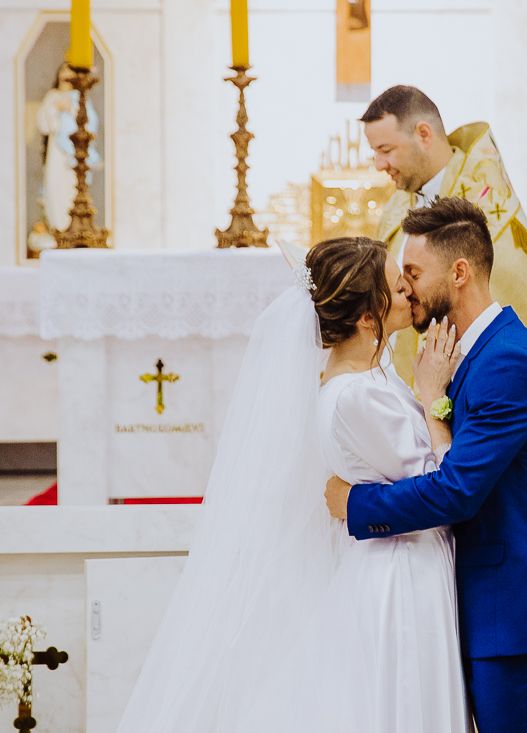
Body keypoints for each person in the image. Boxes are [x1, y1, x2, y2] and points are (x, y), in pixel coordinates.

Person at [116, 236, 471, 732]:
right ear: (368, 316)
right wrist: (435, 400)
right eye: (398, 285)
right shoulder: (357, 398)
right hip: (400, 571)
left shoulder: (367, 379)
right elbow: (443, 488)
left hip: (400, 557)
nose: (410, 292)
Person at [326, 198, 527, 733]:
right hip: (483, 612)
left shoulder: (508, 362)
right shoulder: (471, 353)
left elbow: (457, 490)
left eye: (415, 273)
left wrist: (356, 504)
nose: (407, 289)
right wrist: (433, 397)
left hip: (515, 622)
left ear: (459, 272)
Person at [360, 85, 527, 400]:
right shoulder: (398, 206)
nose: (378, 164)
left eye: (386, 150)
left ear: (423, 134)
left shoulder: (484, 213)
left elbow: (515, 328)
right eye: (375, 152)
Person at [35, 61, 101, 232]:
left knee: (73, 192)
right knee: (56, 193)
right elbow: (44, 125)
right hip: (57, 155)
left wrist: (71, 111)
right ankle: (59, 230)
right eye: (63, 71)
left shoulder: (80, 98)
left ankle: (76, 230)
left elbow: (90, 124)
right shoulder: (53, 96)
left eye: (70, 72)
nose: (66, 76)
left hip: (74, 157)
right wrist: (55, 108)